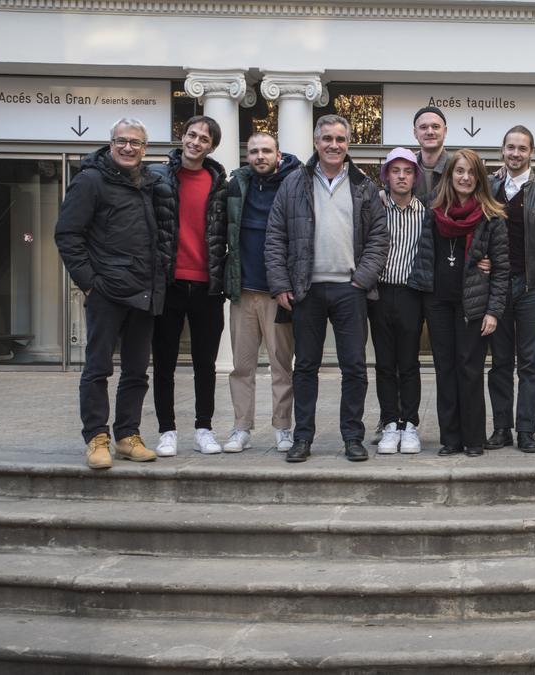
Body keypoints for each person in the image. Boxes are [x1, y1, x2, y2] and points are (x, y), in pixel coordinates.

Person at [265, 114, 389, 463]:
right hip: (307, 290)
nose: (333, 145)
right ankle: (302, 437)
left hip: (351, 290)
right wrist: (280, 285)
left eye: (340, 139)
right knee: (305, 367)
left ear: (348, 144)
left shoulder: (363, 185)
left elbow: (380, 238)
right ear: (316, 142)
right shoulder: (294, 183)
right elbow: (275, 236)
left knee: (354, 367)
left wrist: (362, 280)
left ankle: (352, 436)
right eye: (326, 139)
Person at [55, 117, 163, 469]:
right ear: (111, 143)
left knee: (136, 371)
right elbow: (68, 235)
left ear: (145, 148)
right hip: (107, 292)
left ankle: (127, 436)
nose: (128, 147)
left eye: (136, 142)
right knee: (98, 368)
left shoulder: (149, 183)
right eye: (122, 141)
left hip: (144, 292)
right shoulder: (90, 181)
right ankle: (96, 438)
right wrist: (90, 283)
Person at [406, 148, 509, 457]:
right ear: (449, 176)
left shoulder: (492, 217)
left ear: (479, 178)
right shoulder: (431, 211)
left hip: (472, 304)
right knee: (444, 369)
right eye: (459, 171)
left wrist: (494, 310)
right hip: (437, 302)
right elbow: (422, 255)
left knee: (470, 368)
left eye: (471, 172)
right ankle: (450, 439)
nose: (465, 177)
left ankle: (474, 439)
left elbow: (502, 269)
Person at [149, 115, 229, 456]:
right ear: (182, 137)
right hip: (169, 284)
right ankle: (167, 430)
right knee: (164, 363)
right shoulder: (158, 178)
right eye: (191, 134)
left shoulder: (220, 184)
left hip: (207, 287)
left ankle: (203, 427)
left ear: (212, 146)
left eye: (204, 138)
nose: (196, 142)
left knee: (204, 363)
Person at [221, 132, 300, 453]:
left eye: (266, 150)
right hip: (244, 291)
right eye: (253, 151)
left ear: (278, 154)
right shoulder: (238, 185)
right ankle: (241, 428)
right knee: (242, 366)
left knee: (282, 366)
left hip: (279, 293)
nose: (259, 156)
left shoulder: (294, 184)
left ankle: (283, 427)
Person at [485, 126, 535, 453]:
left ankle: (527, 431)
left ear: (532, 153)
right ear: (502, 150)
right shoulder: (487, 187)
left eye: (522, 148)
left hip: (530, 287)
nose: (516, 154)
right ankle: (502, 428)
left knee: (529, 364)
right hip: (497, 288)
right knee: (500, 362)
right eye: (510, 148)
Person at [370, 147, 428, 455]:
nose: (401, 176)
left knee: (408, 363)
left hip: (410, 293)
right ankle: (390, 423)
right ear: (387, 176)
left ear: (415, 177)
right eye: (396, 171)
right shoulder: (376, 207)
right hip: (379, 293)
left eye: (407, 171)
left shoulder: (425, 212)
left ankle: (410, 424)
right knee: (384, 364)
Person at [412, 106, 449, 203]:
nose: (430, 132)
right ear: (415, 133)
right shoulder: (407, 165)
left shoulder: (456, 167)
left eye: (435, 127)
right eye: (423, 127)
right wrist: (384, 192)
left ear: (445, 131)